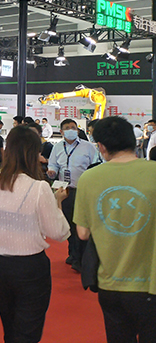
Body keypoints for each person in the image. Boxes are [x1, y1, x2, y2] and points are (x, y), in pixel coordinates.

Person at [0, 126, 70, 343]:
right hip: (30, 266)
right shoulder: (39, 188)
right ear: (34, 154)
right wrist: (58, 202)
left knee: (9, 323)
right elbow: (59, 232)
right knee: (28, 330)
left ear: (7, 149)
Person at [74, 116, 156, 343]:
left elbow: (82, 233)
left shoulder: (89, 178)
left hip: (110, 282)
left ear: (101, 146)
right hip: (150, 283)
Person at [47, 118, 99, 273]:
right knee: (68, 223)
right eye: (68, 128)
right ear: (61, 131)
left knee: (80, 224)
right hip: (65, 191)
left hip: (83, 190)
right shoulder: (57, 147)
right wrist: (52, 171)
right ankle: (72, 253)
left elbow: (96, 165)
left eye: (74, 127)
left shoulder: (88, 147)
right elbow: (53, 164)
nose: (71, 130)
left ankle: (79, 258)